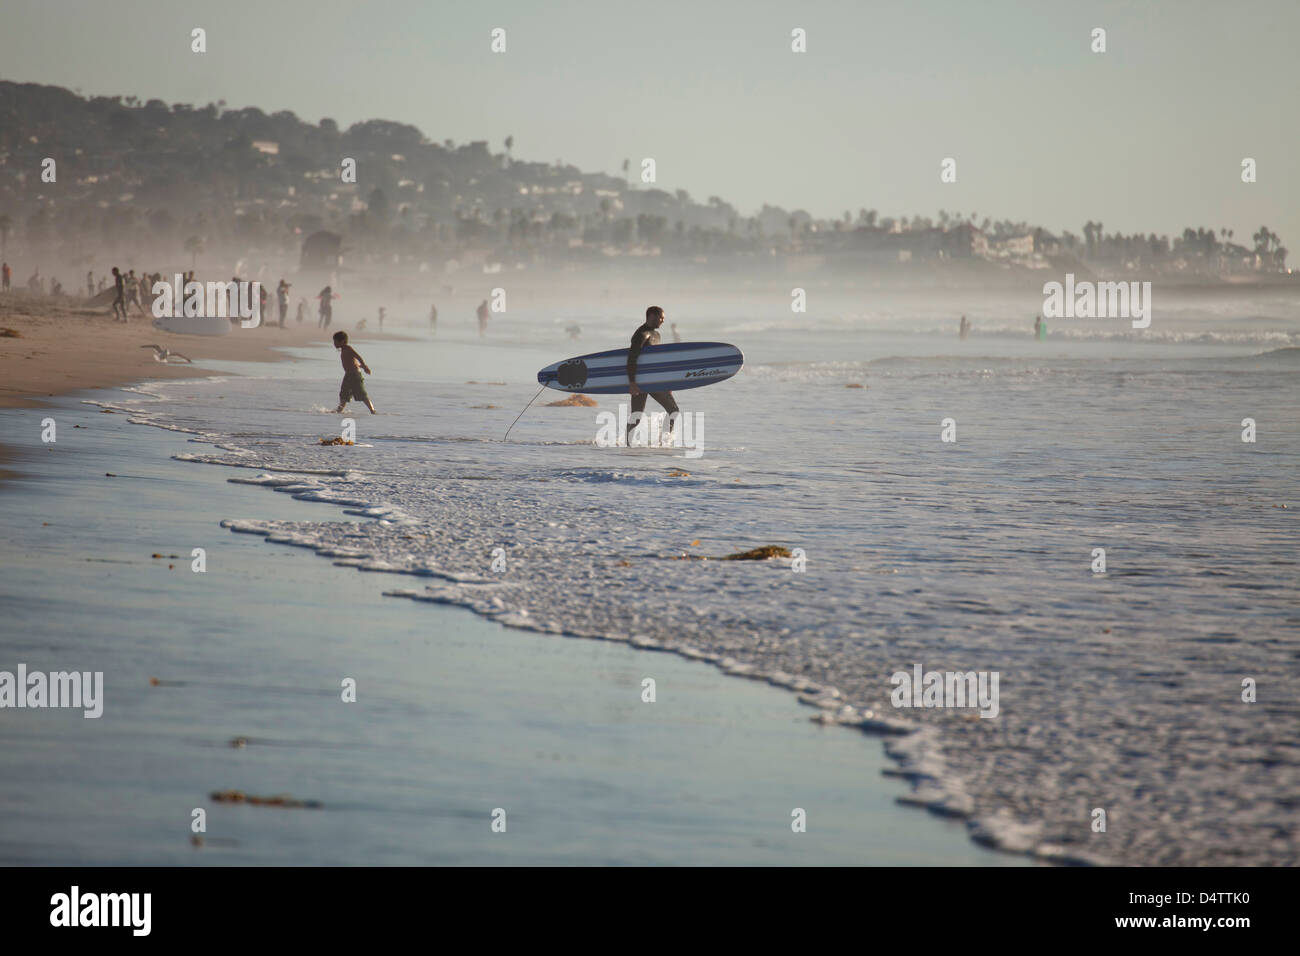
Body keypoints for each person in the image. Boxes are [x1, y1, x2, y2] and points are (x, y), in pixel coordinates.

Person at [626, 305, 680, 443]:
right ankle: (628, 444)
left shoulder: (656, 335)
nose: (662, 320)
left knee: (673, 411)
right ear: (652, 316)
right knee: (637, 417)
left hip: (653, 380)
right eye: (661, 317)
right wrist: (632, 383)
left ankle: (663, 441)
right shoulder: (641, 334)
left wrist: (666, 383)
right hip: (641, 381)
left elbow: (656, 362)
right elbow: (632, 358)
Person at [332, 331, 376, 414]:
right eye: (334, 341)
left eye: (336, 341)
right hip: (348, 375)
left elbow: (358, 357)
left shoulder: (349, 349)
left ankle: (372, 410)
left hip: (355, 375)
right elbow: (353, 361)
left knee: (361, 393)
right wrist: (360, 365)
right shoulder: (343, 350)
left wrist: (364, 366)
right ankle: (339, 410)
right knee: (344, 393)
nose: (334, 344)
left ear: (343, 341)